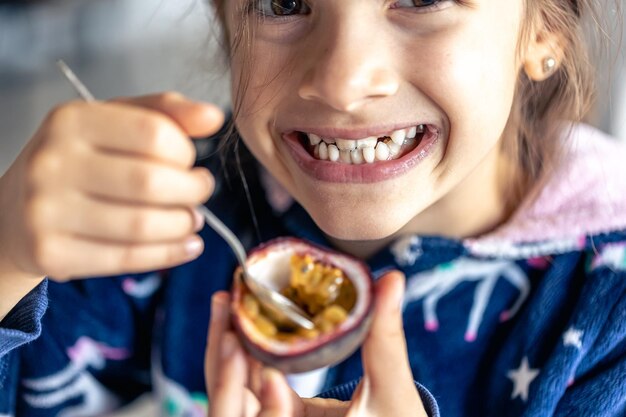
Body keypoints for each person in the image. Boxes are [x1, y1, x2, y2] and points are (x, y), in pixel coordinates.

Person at [1, 0, 625, 416]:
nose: (342, 80)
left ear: (543, 28)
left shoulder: (609, 314)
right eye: (282, 0)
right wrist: (6, 257)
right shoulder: (172, 215)